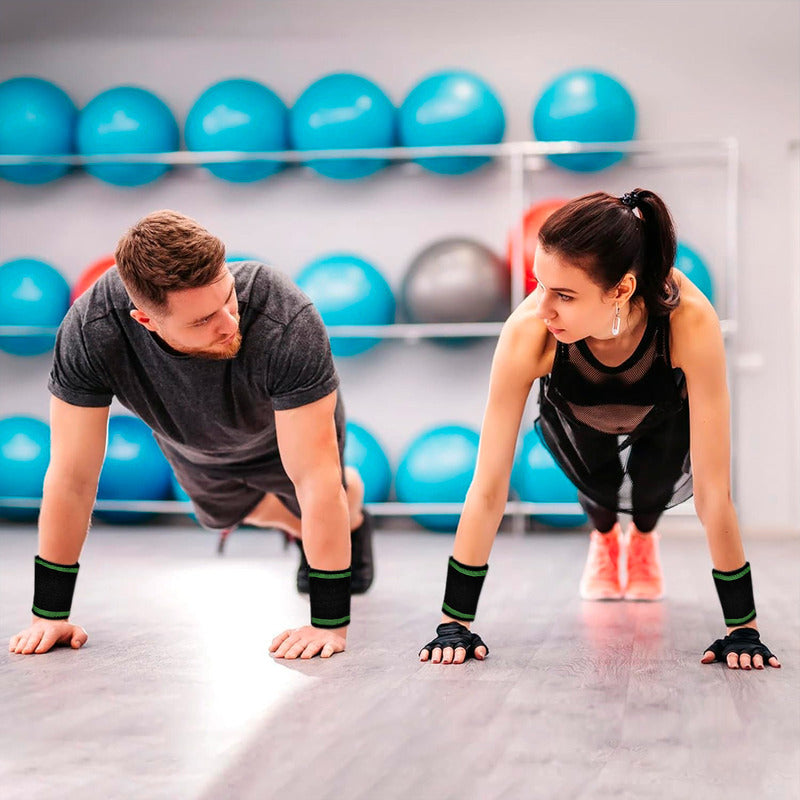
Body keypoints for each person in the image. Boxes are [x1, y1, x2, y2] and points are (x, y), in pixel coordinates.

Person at [419, 189, 780, 671]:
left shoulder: (689, 322)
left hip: (661, 411)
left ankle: (643, 539)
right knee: (602, 490)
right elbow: (488, 488)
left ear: (622, 289)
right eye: (539, 284)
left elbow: (714, 491)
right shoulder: (529, 331)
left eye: (564, 295)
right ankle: (608, 540)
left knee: (651, 494)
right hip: (579, 409)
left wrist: (744, 629)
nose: (543, 308)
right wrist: (453, 624)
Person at [8, 210, 374, 661]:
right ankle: (316, 523)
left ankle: (349, 510)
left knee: (327, 492)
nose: (229, 323)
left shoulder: (284, 316)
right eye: (203, 321)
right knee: (221, 517)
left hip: (285, 430)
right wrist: (49, 613)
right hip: (191, 439)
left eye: (228, 298)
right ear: (145, 320)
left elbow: (316, 479)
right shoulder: (93, 331)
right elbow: (72, 477)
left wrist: (328, 624)